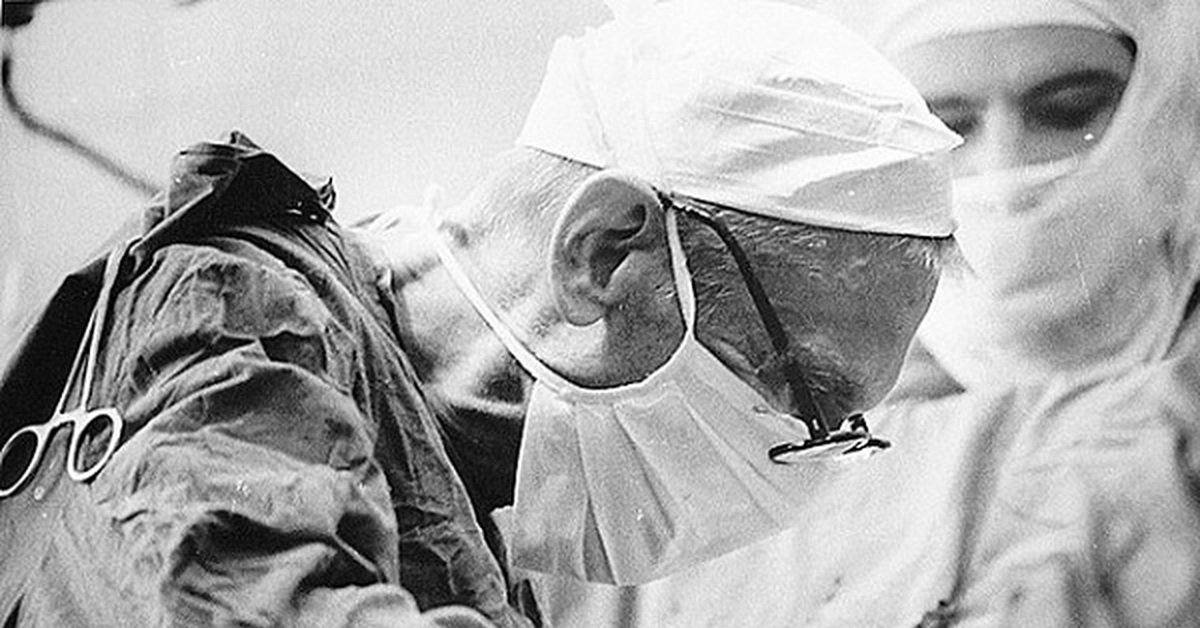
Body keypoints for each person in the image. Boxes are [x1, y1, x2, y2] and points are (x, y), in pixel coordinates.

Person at [0, 2, 962, 626]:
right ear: (605, 251)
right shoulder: (233, 328)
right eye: (805, 395)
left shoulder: (459, 509)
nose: (800, 464)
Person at [529, 0, 1200, 626]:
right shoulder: (712, 455)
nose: (1003, 167)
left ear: (1167, 112)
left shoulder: (1173, 432)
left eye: (1070, 111)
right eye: (947, 129)